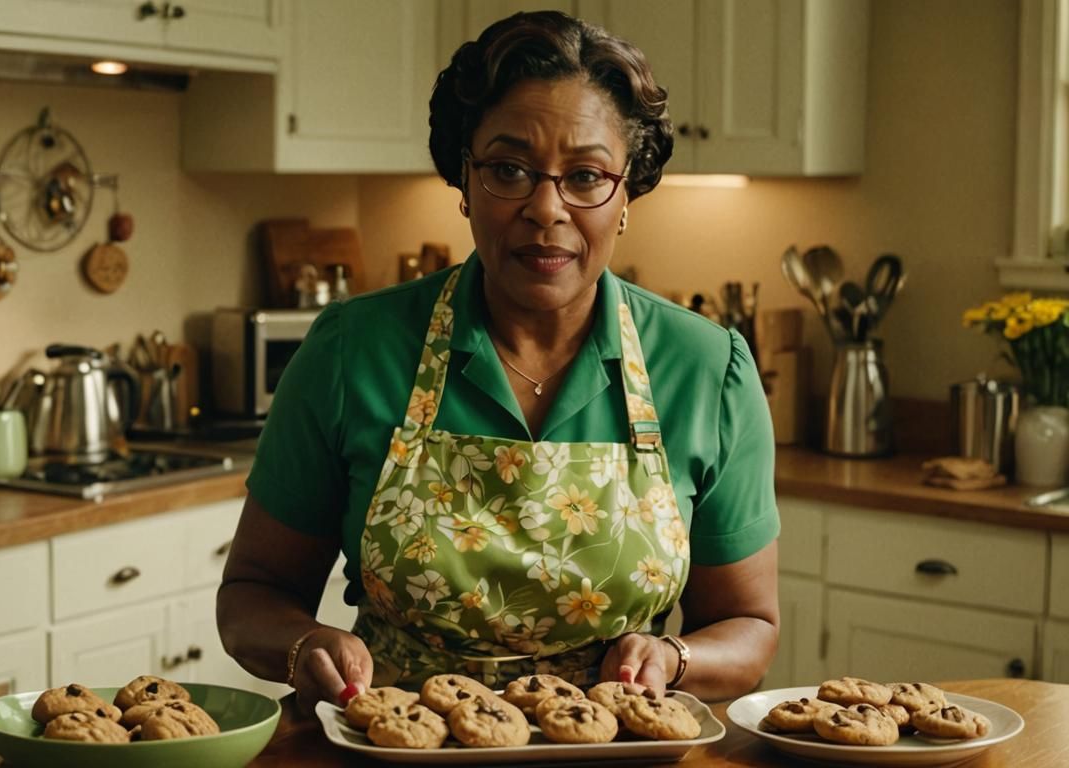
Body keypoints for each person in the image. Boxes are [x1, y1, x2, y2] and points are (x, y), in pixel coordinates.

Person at [218, 10, 779, 712]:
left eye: (585, 176)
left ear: (626, 191)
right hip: (395, 751)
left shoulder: (707, 367)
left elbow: (749, 625)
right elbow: (253, 594)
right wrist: (306, 646)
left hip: (614, 753)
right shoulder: (350, 351)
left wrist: (674, 656)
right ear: (465, 178)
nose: (547, 209)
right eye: (510, 169)